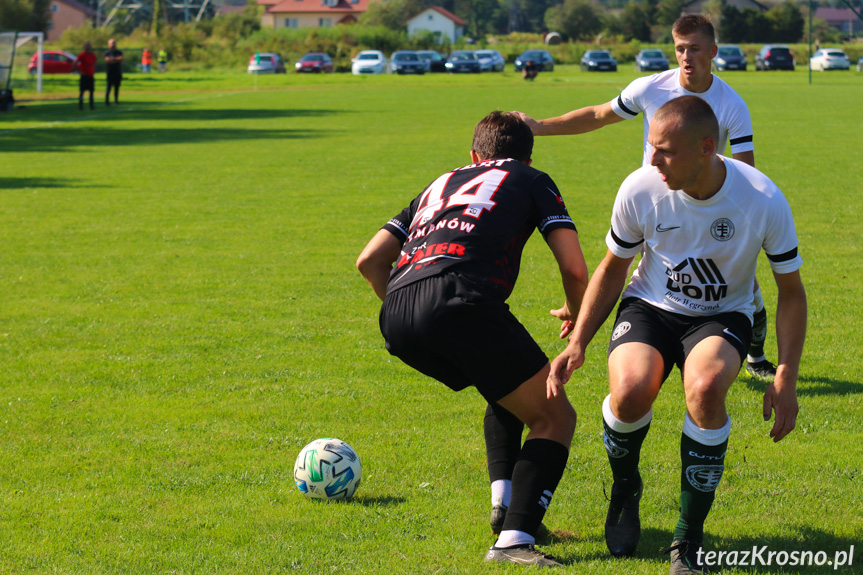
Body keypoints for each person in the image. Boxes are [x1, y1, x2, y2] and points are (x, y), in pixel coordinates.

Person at [547, 96, 806, 574]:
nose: (653, 160)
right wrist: (578, 339)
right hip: (650, 305)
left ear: (707, 148)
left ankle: (687, 538)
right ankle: (625, 487)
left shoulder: (762, 198)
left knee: (706, 391)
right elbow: (613, 267)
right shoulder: (641, 187)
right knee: (628, 393)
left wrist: (785, 375)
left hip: (723, 313)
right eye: (651, 147)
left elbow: (791, 293)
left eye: (665, 150)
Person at [357, 111, 589, 567]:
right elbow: (575, 267)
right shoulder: (531, 178)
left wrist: (413, 307)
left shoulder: (440, 183)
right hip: (461, 299)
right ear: (526, 155)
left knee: (506, 388)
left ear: (473, 155)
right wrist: (577, 317)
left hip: (398, 311)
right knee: (555, 416)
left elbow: (368, 261)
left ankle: (506, 506)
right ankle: (513, 541)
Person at [515, 14, 778, 382]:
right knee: (627, 267)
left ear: (713, 52)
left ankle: (754, 352)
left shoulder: (731, 105)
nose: (686, 57)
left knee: (742, 285)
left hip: (708, 208)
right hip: (654, 206)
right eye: (680, 48)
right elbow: (598, 115)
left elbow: (747, 173)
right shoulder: (651, 88)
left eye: (695, 49)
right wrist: (538, 127)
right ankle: (606, 328)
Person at [74, 41, 96, 111]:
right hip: (84, 76)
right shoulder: (82, 55)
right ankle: (81, 106)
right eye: (87, 46)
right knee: (82, 92)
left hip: (90, 76)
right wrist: (79, 71)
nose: (88, 47)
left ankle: (91, 106)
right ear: (84, 47)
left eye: (89, 46)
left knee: (91, 92)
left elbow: (94, 64)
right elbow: (75, 63)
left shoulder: (93, 55)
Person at [104, 38, 123, 106]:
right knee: (108, 87)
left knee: (116, 87)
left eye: (114, 42)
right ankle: (107, 101)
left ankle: (116, 101)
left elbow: (121, 59)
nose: (113, 44)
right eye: (112, 43)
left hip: (117, 72)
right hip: (110, 72)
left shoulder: (119, 52)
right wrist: (115, 59)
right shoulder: (107, 53)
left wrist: (112, 59)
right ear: (109, 44)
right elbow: (107, 60)